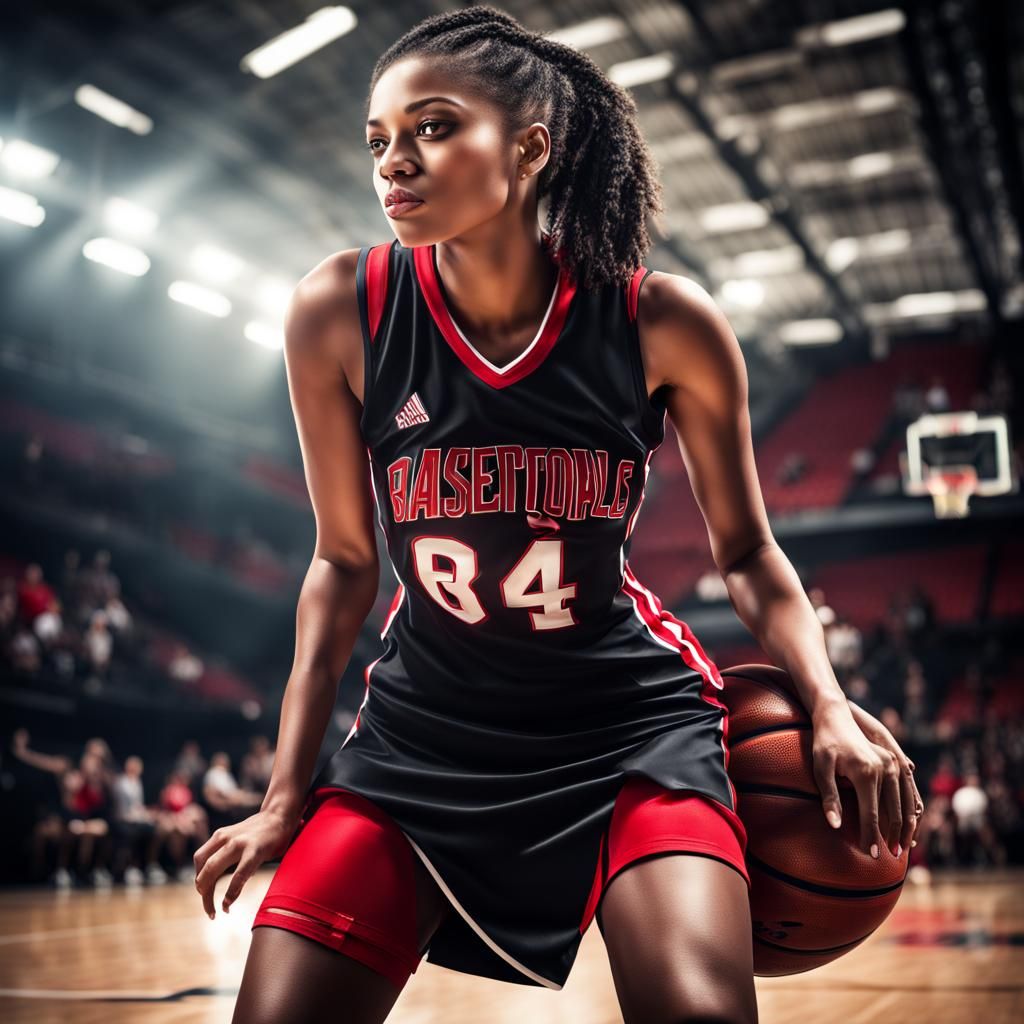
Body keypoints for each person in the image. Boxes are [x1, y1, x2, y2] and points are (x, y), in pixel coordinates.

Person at [193, 8, 925, 1023]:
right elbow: (342, 564)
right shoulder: (339, 308)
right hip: (425, 732)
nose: (394, 160)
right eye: (379, 139)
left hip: (627, 727)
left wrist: (830, 704)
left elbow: (750, 552)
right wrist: (284, 797)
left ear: (531, 147)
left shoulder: (660, 320)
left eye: (433, 126)